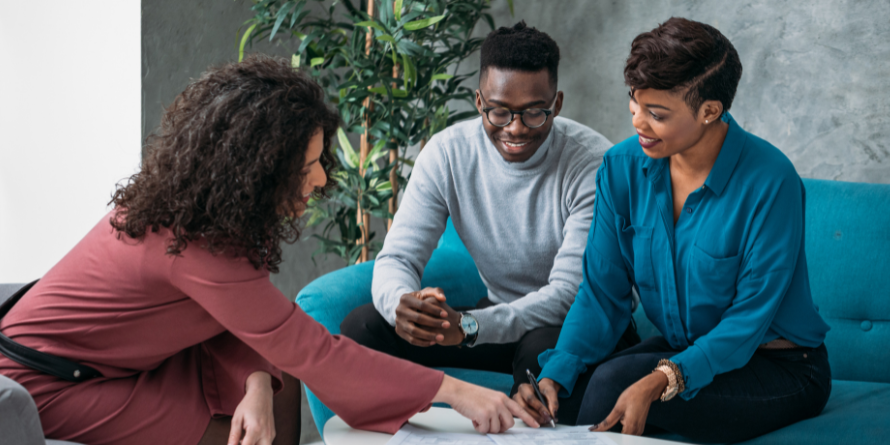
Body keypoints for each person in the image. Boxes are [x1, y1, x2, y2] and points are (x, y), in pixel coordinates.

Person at [0, 55, 537, 445]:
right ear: (256, 171)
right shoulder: (190, 245)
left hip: (128, 361)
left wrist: (255, 381)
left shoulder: (207, 214)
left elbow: (245, 325)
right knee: (232, 429)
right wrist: (456, 392)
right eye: (309, 167)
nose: (322, 178)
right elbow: (312, 348)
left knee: (276, 387)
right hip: (47, 384)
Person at [514, 18, 832, 443]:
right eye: (634, 102)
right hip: (683, 348)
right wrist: (555, 373)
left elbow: (747, 320)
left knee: (612, 385)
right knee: (548, 379)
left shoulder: (771, 182)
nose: (637, 123)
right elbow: (602, 293)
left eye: (656, 114)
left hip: (778, 366)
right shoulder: (622, 167)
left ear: (709, 111)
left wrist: (662, 379)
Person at [340, 21, 639, 426]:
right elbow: (397, 256)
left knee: (542, 359)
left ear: (558, 102)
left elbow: (571, 293)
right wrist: (402, 306)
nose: (515, 128)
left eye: (535, 112)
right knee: (361, 329)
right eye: (499, 111)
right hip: (495, 319)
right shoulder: (447, 154)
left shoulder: (592, 164)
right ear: (478, 101)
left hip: (576, 327)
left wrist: (469, 326)